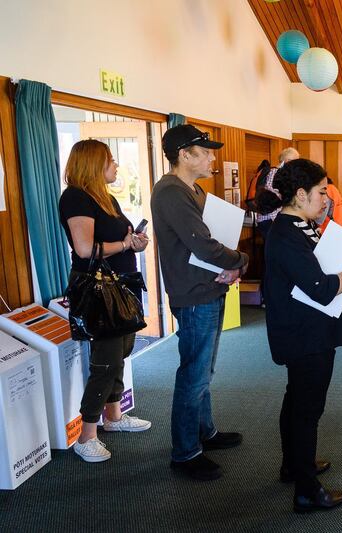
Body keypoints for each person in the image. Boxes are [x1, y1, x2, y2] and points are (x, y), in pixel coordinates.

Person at [259, 159, 342, 513]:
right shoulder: (287, 233)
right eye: (320, 193)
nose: (326, 199)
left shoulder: (301, 225)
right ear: (299, 195)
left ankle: (295, 465)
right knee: (307, 409)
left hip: (310, 328)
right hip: (304, 333)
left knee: (297, 400)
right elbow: (321, 287)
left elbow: (322, 268)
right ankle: (306, 490)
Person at [151, 125, 249, 481]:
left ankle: (204, 432)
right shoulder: (171, 192)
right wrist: (239, 261)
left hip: (208, 287)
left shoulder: (192, 189)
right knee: (193, 372)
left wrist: (229, 268)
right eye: (205, 152)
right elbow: (202, 244)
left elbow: (207, 241)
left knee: (203, 370)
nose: (212, 157)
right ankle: (185, 452)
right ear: (184, 155)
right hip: (193, 295)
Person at [59, 140, 152, 463]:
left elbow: (118, 242)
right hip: (98, 291)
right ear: (94, 164)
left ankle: (114, 417)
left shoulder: (106, 198)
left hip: (121, 287)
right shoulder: (75, 197)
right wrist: (125, 243)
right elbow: (85, 249)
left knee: (122, 352)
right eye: (110, 161)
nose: (116, 166)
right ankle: (87, 436)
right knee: (106, 361)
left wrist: (134, 244)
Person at [256, 148, 300, 304]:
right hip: (270, 221)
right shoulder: (275, 174)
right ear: (287, 161)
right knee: (273, 260)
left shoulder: (280, 174)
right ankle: (268, 297)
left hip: (271, 220)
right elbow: (275, 199)